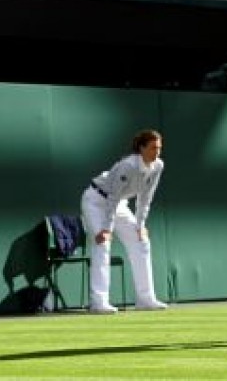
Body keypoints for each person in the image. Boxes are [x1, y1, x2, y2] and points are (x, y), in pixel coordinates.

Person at [81, 129, 168, 314]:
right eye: (153, 148)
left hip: (118, 205)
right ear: (142, 148)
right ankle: (99, 302)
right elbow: (112, 196)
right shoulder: (128, 166)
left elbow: (146, 198)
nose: (157, 152)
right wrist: (106, 229)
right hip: (96, 201)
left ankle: (145, 299)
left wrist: (140, 225)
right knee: (102, 244)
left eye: (159, 148)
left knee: (141, 241)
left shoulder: (158, 166)